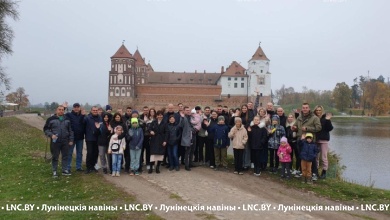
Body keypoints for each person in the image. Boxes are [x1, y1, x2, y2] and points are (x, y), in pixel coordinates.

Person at [292, 102, 322, 181]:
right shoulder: (299, 117)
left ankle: (314, 174)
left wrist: (307, 128)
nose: (305, 109)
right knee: (301, 157)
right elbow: (295, 125)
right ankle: (303, 173)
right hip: (300, 140)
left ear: (309, 108)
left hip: (310, 141)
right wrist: (294, 127)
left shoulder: (314, 118)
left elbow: (319, 128)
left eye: (306, 108)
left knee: (312, 158)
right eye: (303, 108)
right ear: (302, 108)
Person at [43, 105, 74, 177]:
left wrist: (71, 140)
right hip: (55, 141)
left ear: (64, 110)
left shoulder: (67, 119)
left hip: (65, 141)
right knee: (55, 156)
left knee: (65, 156)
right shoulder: (50, 119)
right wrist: (51, 135)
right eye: (59, 109)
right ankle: (54, 171)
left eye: (62, 110)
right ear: (56, 110)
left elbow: (71, 130)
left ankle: (64, 170)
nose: (61, 111)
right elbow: (46, 129)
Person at [314, 105, 334, 179]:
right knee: (315, 156)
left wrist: (328, 120)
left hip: (324, 140)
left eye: (319, 110)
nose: (318, 112)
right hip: (316, 140)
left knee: (324, 157)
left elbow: (330, 128)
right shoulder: (314, 118)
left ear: (322, 111)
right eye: (317, 110)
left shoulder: (325, 118)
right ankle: (315, 171)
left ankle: (324, 172)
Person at [65, 102, 85, 172]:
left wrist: (83, 115)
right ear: (73, 108)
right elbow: (61, 116)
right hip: (71, 138)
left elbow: (83, 123)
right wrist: (64, 107)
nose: (76, 108)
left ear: (79, 108)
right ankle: (68, 167)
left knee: (79, 153)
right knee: (69, 153)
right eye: (75, 107)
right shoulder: (69, 115)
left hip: (80, 137)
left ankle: (78, 167)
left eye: (78, 107)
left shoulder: (82, 115)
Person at [84, 106, 102, 174]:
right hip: (89, 138)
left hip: (97, 138)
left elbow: (101, 127)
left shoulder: (100, 118)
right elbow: (83, 123)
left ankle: (94, 166)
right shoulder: (87, 118)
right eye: (94, 110)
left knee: (96, 153)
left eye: (96, 110)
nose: (95, 111)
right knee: (90, 153)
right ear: (91, 111)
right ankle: (88, 167)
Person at [181, 106, 196, 171]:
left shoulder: (191, 117)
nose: (188, 111)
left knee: (192, 150)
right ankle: (186, 165)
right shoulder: (183, 118)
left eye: (189, 110)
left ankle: (190, 163)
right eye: (186, 110)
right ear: (184, 111)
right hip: (187, 137)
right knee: (187, 152)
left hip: (193, 136)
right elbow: (180, 126)